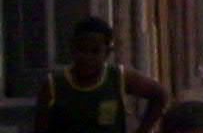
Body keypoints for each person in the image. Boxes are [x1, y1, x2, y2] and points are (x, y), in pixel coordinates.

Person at [34, 16, 167, 133]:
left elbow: (160, 95)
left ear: (107, 52)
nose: (87, 57)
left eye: (95, 51)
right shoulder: (54, 85)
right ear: (72, 48)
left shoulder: (118, 77)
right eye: (82, 50)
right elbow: (40, 127)